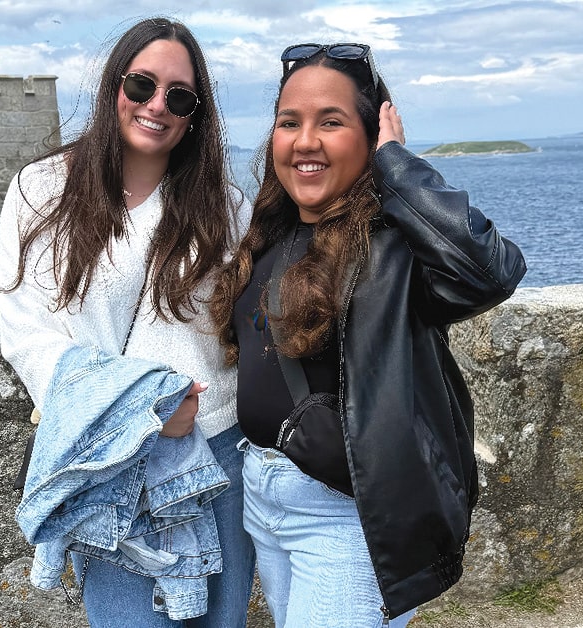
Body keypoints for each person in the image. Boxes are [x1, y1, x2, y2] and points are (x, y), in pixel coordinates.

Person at [209, 43, 527, 627]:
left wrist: (399, 163)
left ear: (370, 135)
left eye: (331, 122)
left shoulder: (394, 247)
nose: (306, 141)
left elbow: (491, 270)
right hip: (263, 499)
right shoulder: (270, 235)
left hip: (344, 514)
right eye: (289, 123)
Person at [0, 18, 253, 627]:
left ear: (196, 114)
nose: (157, 106)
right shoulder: (43, 191)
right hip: (115, 462)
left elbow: (247, 322)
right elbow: (25, 329)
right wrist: (144, 403)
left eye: (179, 97)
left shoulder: (224, 204)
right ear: (116, 86)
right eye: (142, 86)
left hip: (216, 453)